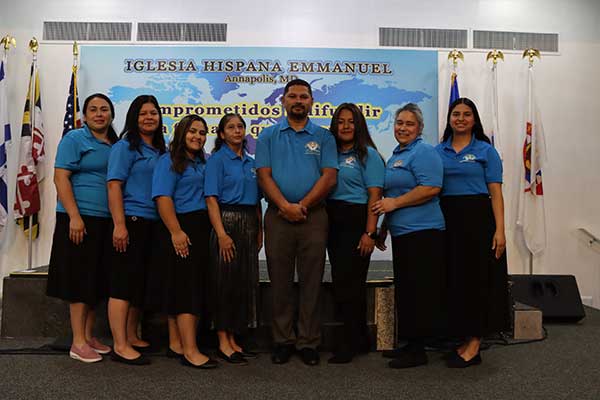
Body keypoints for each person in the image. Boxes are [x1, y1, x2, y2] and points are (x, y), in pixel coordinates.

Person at [255, 79, 338, 366]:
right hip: (277, 217)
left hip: (313, 217)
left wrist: (301, 206)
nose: (298, 100)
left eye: (304, 96)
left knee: (311, 282)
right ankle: (282, 340)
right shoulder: (268, 135)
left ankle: (308, 342)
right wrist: (284, 206)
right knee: (279, 281)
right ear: (283, 101)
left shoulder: (324, 137)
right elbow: (263, 175)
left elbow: (329, 176)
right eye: (292, 96)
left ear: (312, 101)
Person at [436, 97, 509, 368]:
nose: (461, 119)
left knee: (478, 281)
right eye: (456, 114)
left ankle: (475, 345)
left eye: (467, 114)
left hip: (479, 222)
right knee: (456, 282)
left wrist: (500, 230)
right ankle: (464, 340)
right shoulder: (437, 151)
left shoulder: (486, 151)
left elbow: (496, 194)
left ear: (474, 119)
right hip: (447, 221)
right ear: (449, 119)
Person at [372, 103, 446, 369]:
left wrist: (394, 205)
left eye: (409, 124)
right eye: (399, 123)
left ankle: (418, 350)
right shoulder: (396, 155)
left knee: (419, 292)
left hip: (424, 233)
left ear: (420, 128)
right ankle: (410, 343)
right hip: (403, 233)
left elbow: (431, 188)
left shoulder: (424, 152)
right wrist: (383, 228)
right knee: (408, 290)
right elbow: (392, 197)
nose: (403, 128)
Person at [47, 93, 118, 363]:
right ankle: (77, 342)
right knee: (79, 281)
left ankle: (88, 336)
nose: (99, 114)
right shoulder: (75, 139)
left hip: (104, 220)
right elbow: (60, 177)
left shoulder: (115, 143)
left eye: (104, 109)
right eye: (93, 110)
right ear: (85, 116)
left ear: (111, 114)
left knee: (95, 281)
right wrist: (75, 216)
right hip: (78, 219)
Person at [151, 114, 218, 369]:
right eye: (193, 131)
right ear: (181, 133)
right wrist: (176, 231)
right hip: (180, 227)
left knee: (182, 286)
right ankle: (191, 351)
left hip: (199, 228)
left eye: (202, 133)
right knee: (188, 289)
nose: (198, 137)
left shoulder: (203, 161)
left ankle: (176, 343)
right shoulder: (168, 161)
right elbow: (162, 198)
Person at [106, 94, 166, 365]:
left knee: (138, 285)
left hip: (155, 224)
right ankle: (119, 344)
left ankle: (131, 335)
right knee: (122, 284)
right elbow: (114, 185)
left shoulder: (161, 150)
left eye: (153, 113)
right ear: (134, 116)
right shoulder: (124, 147)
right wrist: (119, 225)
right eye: (143, 113)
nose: (149, 117)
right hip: (130, 221)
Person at [326, 103, 384, 363]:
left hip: (356, 221)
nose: (346, 126)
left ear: (359, 124)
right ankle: (360, 338)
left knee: (351, 285)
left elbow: (375, 195)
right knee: (342, 282)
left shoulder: (368, 155)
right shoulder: (330, 154)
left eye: (351, 121)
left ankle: (348, 344)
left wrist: (369, 233)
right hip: (333, 222)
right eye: (341, 121)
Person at [205, 113, 262, 366]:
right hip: (226, 222)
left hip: (249, 222)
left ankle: (234, 338)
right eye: (231, 127)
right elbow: (211, 199)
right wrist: (221, 234)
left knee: (242, 281)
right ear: (221, 133)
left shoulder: (251, 164)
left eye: (240, 127)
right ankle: (222, 340)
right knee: (224, 282)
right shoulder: (217, 161)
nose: (237, 131)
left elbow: (258, 200)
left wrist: (259, 229)